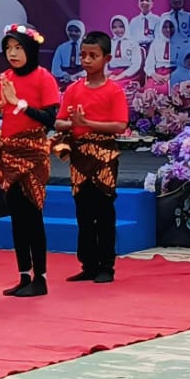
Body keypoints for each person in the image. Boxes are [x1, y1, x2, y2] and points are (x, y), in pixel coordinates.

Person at [0, 24, 59, 298]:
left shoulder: (43, 77)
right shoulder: (5, 76)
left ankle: (40, 277)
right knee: (16, 215)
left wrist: (21, 103)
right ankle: (22, 274)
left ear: (30, 49)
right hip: (9, 152)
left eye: (18, 48)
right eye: (8, 48)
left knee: (32, 214)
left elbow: (51, 119)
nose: (12, 54)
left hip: (33, 153)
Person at [54, 31, 129, 284]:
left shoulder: (114, 91)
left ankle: (107, 265)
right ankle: (88, 263)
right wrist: (71, 124)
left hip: (104, 154)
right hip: (79, 154)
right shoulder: (73, 89)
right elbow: (59, 121)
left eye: (93, 56)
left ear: (106, 58)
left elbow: (120, 126)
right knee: (83, 211)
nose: (86, 60)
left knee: (104, 210)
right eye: (83, 55)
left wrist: (87, 122)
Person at [105, 15, 142, 89]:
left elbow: (136, 65)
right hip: (112, 73)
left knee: (114, 87)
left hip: (129, 74)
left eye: (121, 26)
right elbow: (105, 62)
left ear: (126, 26)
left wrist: (119, 77)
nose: (117, 30)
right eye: (114, 27)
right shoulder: (109, 43)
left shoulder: (133, 43)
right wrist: (106, 74)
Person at [142, 17, 178, 92]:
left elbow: (182, 64)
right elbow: (149, 64)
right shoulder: (155, 44)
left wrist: (171, 75)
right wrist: (154, 75)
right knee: (149, 89)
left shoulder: (181, 44)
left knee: (170, 89)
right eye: (165, 27)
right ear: (161, 28)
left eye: (171, 27)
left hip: (175, 73)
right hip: (158, 73)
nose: (168, 30)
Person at [51, 20, 85, 88]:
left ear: (82, 31)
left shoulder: (87, 47)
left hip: (83, 80)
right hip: (65, 81)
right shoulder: (61, 48)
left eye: (76, 31)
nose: (73, 33)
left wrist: (79, 75)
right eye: (71, 30)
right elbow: (55, 69)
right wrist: (64, 75)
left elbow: (92, 67)